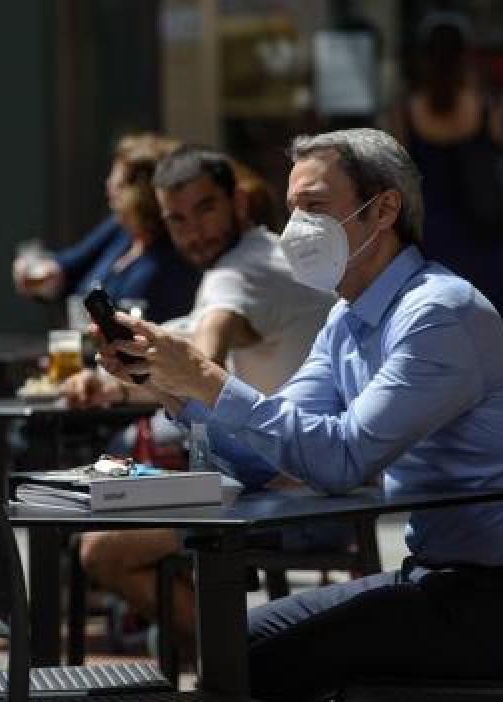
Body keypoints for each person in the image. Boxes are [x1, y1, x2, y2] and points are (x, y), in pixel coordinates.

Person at [93, 128, 503, 702]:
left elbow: (343, 460)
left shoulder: (438, 314)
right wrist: (168, 383)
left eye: (317, 206)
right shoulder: (347, 320)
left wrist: (209, 378)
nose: (297, 224)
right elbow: (271, 458)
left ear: (384, 209)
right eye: (294, 206)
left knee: (252, 659)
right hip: (446, 583)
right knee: (237, 644)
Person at [63, 147, 340, 644]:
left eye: (205, 208)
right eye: (177, 219)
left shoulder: (234, 274)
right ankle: (228, 657)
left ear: (237, 201)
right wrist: (108, 379)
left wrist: (156, 378)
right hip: (318, 475)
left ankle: (245, 669)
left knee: (101, 548)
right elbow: (185, 337)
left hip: (295, 499)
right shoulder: (264, 253)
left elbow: (202, 358)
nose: (193, 231)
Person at [393, 11, 503, 321]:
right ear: (464, 58)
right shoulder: (484, 107)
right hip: (481, 234)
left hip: (430, 234)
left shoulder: (407, 111)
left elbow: (396, 170)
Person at [12, 133, 201, 324]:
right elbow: (68, 265)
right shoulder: (121, 230)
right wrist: (41, 274)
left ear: (140, 195)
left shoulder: (170, 261)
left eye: (117, 181)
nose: (108, 185)